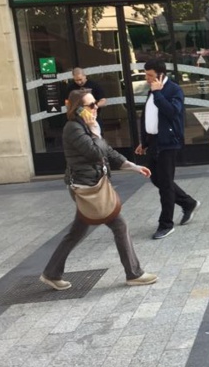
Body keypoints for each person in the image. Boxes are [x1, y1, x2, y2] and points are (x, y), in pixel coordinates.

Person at [40, 89, 157, 291]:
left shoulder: (84, 126)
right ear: (78, 110)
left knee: (77, 232)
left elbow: (108, 152)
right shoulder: (73, 129)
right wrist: (96, 132)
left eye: (96, 104)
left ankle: (51, 273)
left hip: (91, 186)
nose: (96, 108)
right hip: (88, 189)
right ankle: (134, 274)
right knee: (118, 225)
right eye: (91, 105)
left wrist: (133, 166)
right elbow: (95, 153)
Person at [134, 59, 200, 240]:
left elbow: (172, 112)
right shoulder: (152, 90)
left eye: (150, 75)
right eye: (146, 75)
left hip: (169, 143)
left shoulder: (173, 90)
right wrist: (145, 142)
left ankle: (166, 224)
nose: (147, 79)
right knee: (157, 179)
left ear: (161, 75)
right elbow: (148, 118)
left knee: (165, 185)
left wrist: (158, 94)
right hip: (154, 142)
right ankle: (188, 203)